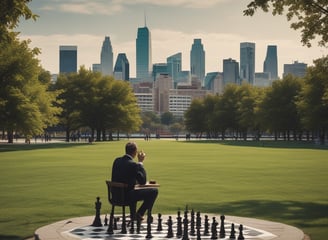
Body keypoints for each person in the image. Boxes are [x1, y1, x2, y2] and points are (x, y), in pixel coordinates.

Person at [111, 142, 158, 221]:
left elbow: (124, 176)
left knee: (133, 190)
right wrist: (140, 162)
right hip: (127, 197)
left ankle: (135, 215)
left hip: (115, 195)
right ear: (135, 152)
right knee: (154, 191)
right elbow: (143, 181)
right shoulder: (133, 165)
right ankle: (139, 213)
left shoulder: (117, 161)